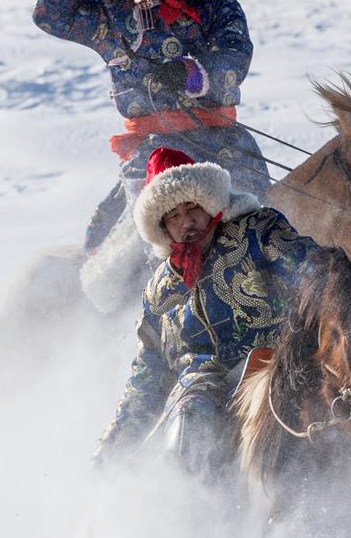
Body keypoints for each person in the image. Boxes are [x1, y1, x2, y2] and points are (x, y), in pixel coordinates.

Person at [32, 0, 269, 253]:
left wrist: (192, 73)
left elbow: (236, 53)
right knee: (143, 248)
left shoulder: (218, 3)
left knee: (263, 223)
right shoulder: (111, 12)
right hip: (150, 153)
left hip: (222, 144)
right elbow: (49, 15)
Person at [94, 148, 316, 477]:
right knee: (189, 415)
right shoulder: (159, 292)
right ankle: (193, 514)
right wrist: (110, 452)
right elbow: (148, 377)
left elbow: (314, 270)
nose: (187, 221)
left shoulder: (257, 232)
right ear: (161, 226)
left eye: (193, 207)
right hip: (203, 392)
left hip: (279, 361)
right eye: (173, 215)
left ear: (210, 202)